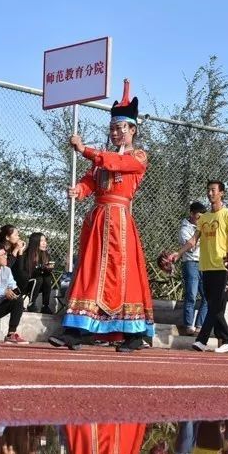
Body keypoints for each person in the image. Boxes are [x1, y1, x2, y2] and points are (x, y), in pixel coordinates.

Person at [58, 80, 154, 352]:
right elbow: (91, 179)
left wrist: (85, 150)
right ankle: (80, 329)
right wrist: (79, 190)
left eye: (120, 128)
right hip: (98, 220)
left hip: (119, 221)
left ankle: (132, 333)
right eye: (112, 128)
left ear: (133, 129)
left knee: (123, 274)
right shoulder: (104, 157)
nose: (115, 132)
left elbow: (114, 163)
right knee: (90, 270)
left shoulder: (138, 156)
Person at [170, 181, 228, 354]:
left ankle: (225, 340)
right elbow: (193, 240)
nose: (210, 193)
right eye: (208, 190)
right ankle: (204, 341)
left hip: (222, 268)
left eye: (213, 190)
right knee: (213, 306)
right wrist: (178, 254)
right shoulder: (205, 218)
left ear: (221, 193)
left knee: (214, 306)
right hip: (205, 267)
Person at [177, 201, 208, 336]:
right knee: (191, 295)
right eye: (198, 217)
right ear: (191, 214)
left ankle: (200, 325)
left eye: (202, 218)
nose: (199, 220)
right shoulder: (185, 229)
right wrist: (199, 237)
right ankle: (188, 325)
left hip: (204, 263)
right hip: (191, 263)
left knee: (207, 296)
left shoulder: (204, 227)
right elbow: (191, 247)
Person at [18, 232, 56, 315]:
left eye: (45, 241)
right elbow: (24, 274)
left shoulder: (46, 255)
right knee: (38, 279)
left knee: (47, 277)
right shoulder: (26, 255)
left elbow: (44, 272)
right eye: (41, 241)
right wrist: (39, 269)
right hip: (25, 285)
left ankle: (45, 306)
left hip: (39, 285)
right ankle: (31, 304)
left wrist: (48, 269)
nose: (44, 243)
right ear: (35, 242)